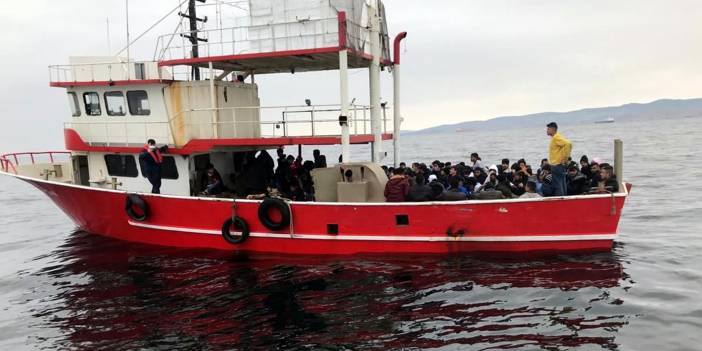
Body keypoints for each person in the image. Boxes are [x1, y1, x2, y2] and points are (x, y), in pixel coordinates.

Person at [546, 122, 572, 196]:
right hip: (559, 165)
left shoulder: (556, 137)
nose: (547, 130)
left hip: (557, 165)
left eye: (548, 129)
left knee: (558, 185)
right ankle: (564, 200)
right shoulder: (557, 137)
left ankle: (560, 201)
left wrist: (565, 158)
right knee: (562, 184)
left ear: (553, 129)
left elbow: (568, 144)